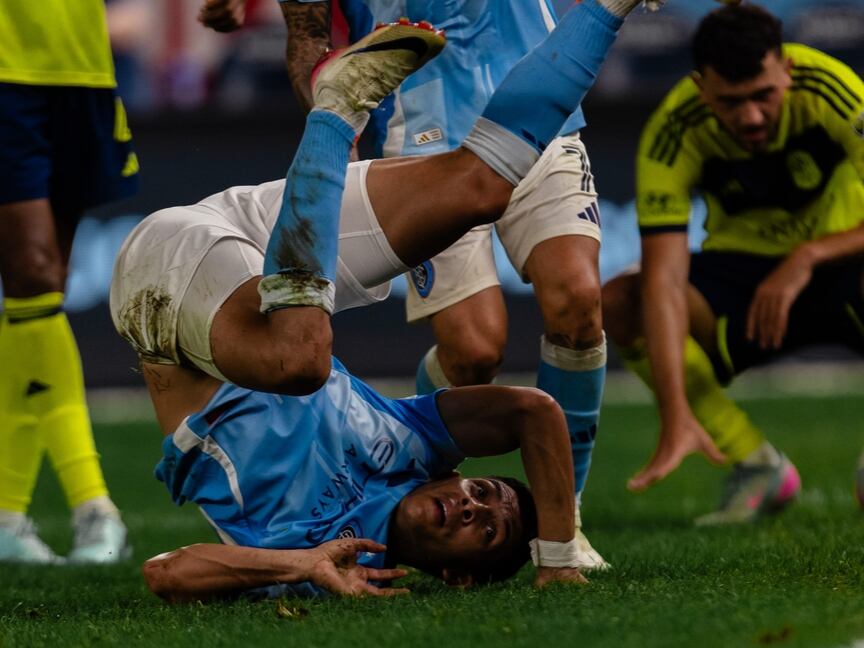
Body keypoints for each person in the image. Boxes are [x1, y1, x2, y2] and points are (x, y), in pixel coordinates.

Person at [113, 0, 658, 598]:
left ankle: (337, 114)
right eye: (483, 490)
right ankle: (609, 8)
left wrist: (300, 565)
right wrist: (556, 558)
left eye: (486, 530)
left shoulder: (317, 558)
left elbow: (165, 570)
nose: (472, 505)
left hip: (163, 291)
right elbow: (535, 412)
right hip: (257, 234)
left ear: (456, 577)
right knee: (480, 189)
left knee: (301, 362)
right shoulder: (414, 448)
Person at [601, 3, 864, 524]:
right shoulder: (674, 128)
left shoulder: (836, 90)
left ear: (786, 70)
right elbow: (665, 280)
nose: (750, 116)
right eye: (731, 101)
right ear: (702, 88)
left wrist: (806, 257)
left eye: (763, 95)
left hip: (842, 257)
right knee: (620, 301)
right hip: (743, 280)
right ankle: (754, 461)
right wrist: (674, 413)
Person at [0, 1, 135, 563]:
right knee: (32, 272)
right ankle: (95, 508)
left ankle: (6, 513)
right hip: (7, 67)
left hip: (82, 62)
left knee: (45, 283)